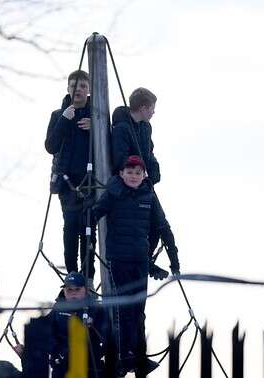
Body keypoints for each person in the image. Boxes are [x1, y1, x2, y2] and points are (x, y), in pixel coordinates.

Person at [90, 155, 180, 377]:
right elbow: (93, 214)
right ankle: (122, 355)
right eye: (129, 172)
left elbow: (162, 226)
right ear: (121, 174)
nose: (133, 176)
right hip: (118, 258)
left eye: (138, 172)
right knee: (123, 308)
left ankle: (138, 355)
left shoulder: (148, 195)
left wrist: (174, 259)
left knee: (139, 310)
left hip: (139, 259)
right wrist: (88, 231)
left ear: (144, 175)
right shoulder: (113, 192)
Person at [45, 70, 96, 286]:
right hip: (67, 184)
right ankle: (72, 279)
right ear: (68, 88)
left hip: (91, 183)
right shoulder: (59, 115)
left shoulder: (97, 115)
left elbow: (108, 145)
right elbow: (51, 146)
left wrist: (96, 128)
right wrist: (65, 121)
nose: (78, 90)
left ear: (89, 90)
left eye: (83, 86)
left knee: (89, 232)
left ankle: (89, 280)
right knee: (70, 230)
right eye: (74, 86)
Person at [48, 272, 111, 378]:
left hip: (90, 367)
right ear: (64, 290)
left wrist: (93, 328)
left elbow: (108, 338)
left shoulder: (96, 309)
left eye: (77, 289)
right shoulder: (57, 308)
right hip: (62, 366)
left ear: (85, 290)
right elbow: (47, 334)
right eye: (69, 290)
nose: (73, 293)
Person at [111, 87, 160, 185]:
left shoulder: (146, 127)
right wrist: (137, 175)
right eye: (152, 108)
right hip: (128, 184)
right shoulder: (122, 128)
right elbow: (120, 158)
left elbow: (149, 152)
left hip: (143, 182)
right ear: (143, 108)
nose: (153, 112)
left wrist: (154, 174)